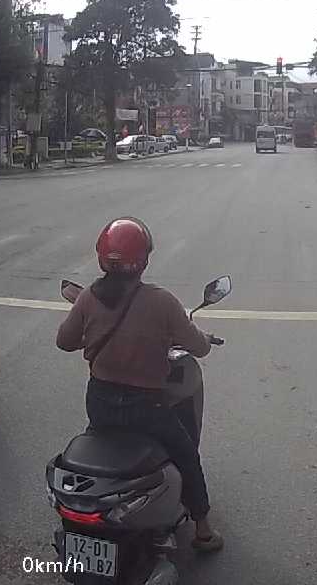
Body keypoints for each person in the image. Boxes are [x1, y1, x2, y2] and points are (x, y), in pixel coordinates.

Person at [55, 218, 223, 552]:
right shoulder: (161, 302)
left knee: (99, 440)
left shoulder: (87, 298)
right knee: (186, 454)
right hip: (148, 407)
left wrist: (89, 330)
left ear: (102, 258)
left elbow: (64, 342)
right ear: (143, 261)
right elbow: (199, 347)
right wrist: (204, 338)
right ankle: (203, 531)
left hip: (101, 403)